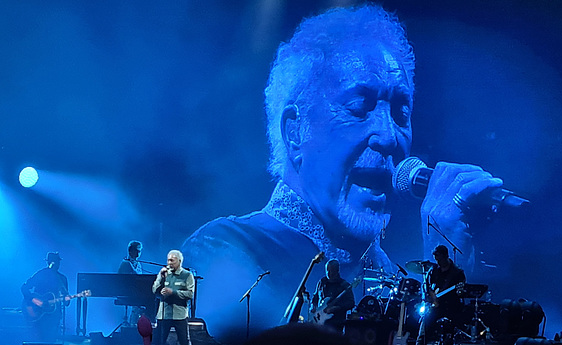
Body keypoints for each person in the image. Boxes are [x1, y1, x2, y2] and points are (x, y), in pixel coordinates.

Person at [182, 4, 503, 343]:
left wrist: (444, 278)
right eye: (359, 107)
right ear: (296, 132)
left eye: (400, 111)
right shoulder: (226, 248)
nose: (389, 136)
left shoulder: (395, 278)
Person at [418, 245, 466, 343]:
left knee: (450, 334)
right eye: (436, 260)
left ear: (446, 256)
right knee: (424, 329)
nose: (438, 262)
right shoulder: (433, 270)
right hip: (436, 306)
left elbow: (461, 291)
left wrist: (459, 291)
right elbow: (426, 286)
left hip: (451, 305)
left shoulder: (457, 272)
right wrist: (432, 296)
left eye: (439, 259)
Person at [21, 251, 70, 342]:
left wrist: (64, 295)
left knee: (51, 340)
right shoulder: (40, 274)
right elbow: (24, 288)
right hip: (39, 315)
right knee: (39, 339)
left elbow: (67, 302)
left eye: (58, 262)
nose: (57, 264)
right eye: (54, 261)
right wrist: (34, 300)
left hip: (54, 316)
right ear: (49, 262)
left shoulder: (62, 279)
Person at [152, 249, 195, 345]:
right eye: (168, 260)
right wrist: (162, 279)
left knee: (184, 341)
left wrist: (173, 292)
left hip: (179, 314)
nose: (169, 263)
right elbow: (154, 290)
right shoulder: (163, 273)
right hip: (164, 314)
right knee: (158, 341)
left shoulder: (187, 275)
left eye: (172, 260)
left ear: (179, 261)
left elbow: (190, 294)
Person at [310, 259, 356, 332]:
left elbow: (351, 303)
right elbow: (315, 297)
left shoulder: (344, 285)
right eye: (327, 270)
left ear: (337, 270)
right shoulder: (322, 282)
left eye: (332, 270)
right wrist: (313, 307)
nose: (329, 273)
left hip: (335, 323)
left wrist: (337, 307)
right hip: (319, 321)